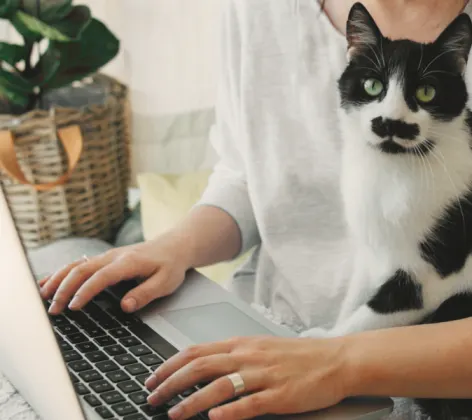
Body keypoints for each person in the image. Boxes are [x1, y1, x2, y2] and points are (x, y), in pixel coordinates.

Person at [40, 1, 472, 419]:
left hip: (409, 375)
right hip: (262, 326)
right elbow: (247, 176)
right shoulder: (258, 8)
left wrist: (336, 362)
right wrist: (172, 247)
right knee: (60, 330)